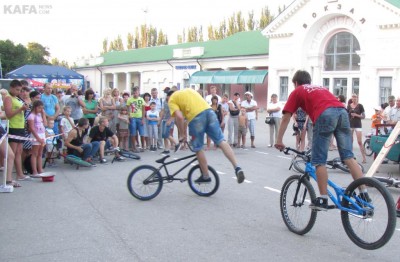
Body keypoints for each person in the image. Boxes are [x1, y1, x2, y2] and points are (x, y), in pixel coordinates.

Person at [275, 70, 366, 211]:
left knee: (319, 161)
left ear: (296, 83)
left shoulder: (298, 90)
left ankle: (322, 199)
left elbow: (286, 116)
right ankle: (364, 195)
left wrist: (279, 139)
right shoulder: (319, 88)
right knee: (348, 157)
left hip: (325, 114)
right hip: (342, 112)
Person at [168, 88, 245, 183]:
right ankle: (237, 167)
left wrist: (182, 135)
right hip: (209, 112)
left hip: (196, 118)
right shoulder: (189, 90)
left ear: (169, 96)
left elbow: (179, 117)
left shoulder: (171, 100)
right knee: (221, 141)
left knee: (198, 148)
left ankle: (205, 176)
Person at [3, 80, 30, 180]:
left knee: (19, 151)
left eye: (20, 90)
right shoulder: (8, 98)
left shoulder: (17, 98)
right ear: (11, 88)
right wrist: (20, 109)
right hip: (13, 127)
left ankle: (20, 173)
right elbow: (8, 114)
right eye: (17, 90)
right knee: (12, 153)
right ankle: (9, 177)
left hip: (20, 127)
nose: (19, 92)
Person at [27, 100, 47, 177]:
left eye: (42, 108)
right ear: (35, 107)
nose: (40, 110)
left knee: (40, 153)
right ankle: (34, 170)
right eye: (39, 108)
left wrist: (43, 114)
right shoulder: (31, 116)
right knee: (34, 153)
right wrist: (38, 138)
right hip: (36, 135)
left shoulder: (39, 115)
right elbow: (32, 128)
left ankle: (40, 169)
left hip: (42, 134)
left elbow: (45, 124)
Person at [347, 94, 367, 163]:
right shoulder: (349, 106)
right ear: (351, 99)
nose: (354, 99)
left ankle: (364, 157)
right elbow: (347, 114)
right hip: (350, 125)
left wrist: (356, 115)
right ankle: (351, 157)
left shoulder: (360, 106)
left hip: (358, 125)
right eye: (353, 98)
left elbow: (364, 116)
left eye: (355, 98)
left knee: (359, 142)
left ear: (357, 98)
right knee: (350, 141)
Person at [126, 87, 145, 153]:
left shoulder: (141, 99)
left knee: (142, 133)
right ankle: (134, 147)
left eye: (136, 93)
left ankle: (143, 146)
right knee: (133, 132)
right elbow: (128, 109)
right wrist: (129, 116)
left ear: (138, 92)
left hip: (139, 117)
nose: (135, 94)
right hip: (133, 117)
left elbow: (143, 109)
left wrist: (143, 119)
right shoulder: (129, 100)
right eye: (134, 93)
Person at [159, 90, 176, 155]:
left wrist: (170, 120)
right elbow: (163, 111)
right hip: (164, 119)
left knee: (166, 133)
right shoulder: (164, 102)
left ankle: (176, 143)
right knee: (164, 135)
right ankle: (166, 149)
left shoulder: (173, 103)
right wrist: (160, 120)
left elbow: (174, 113)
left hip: (170, 120)